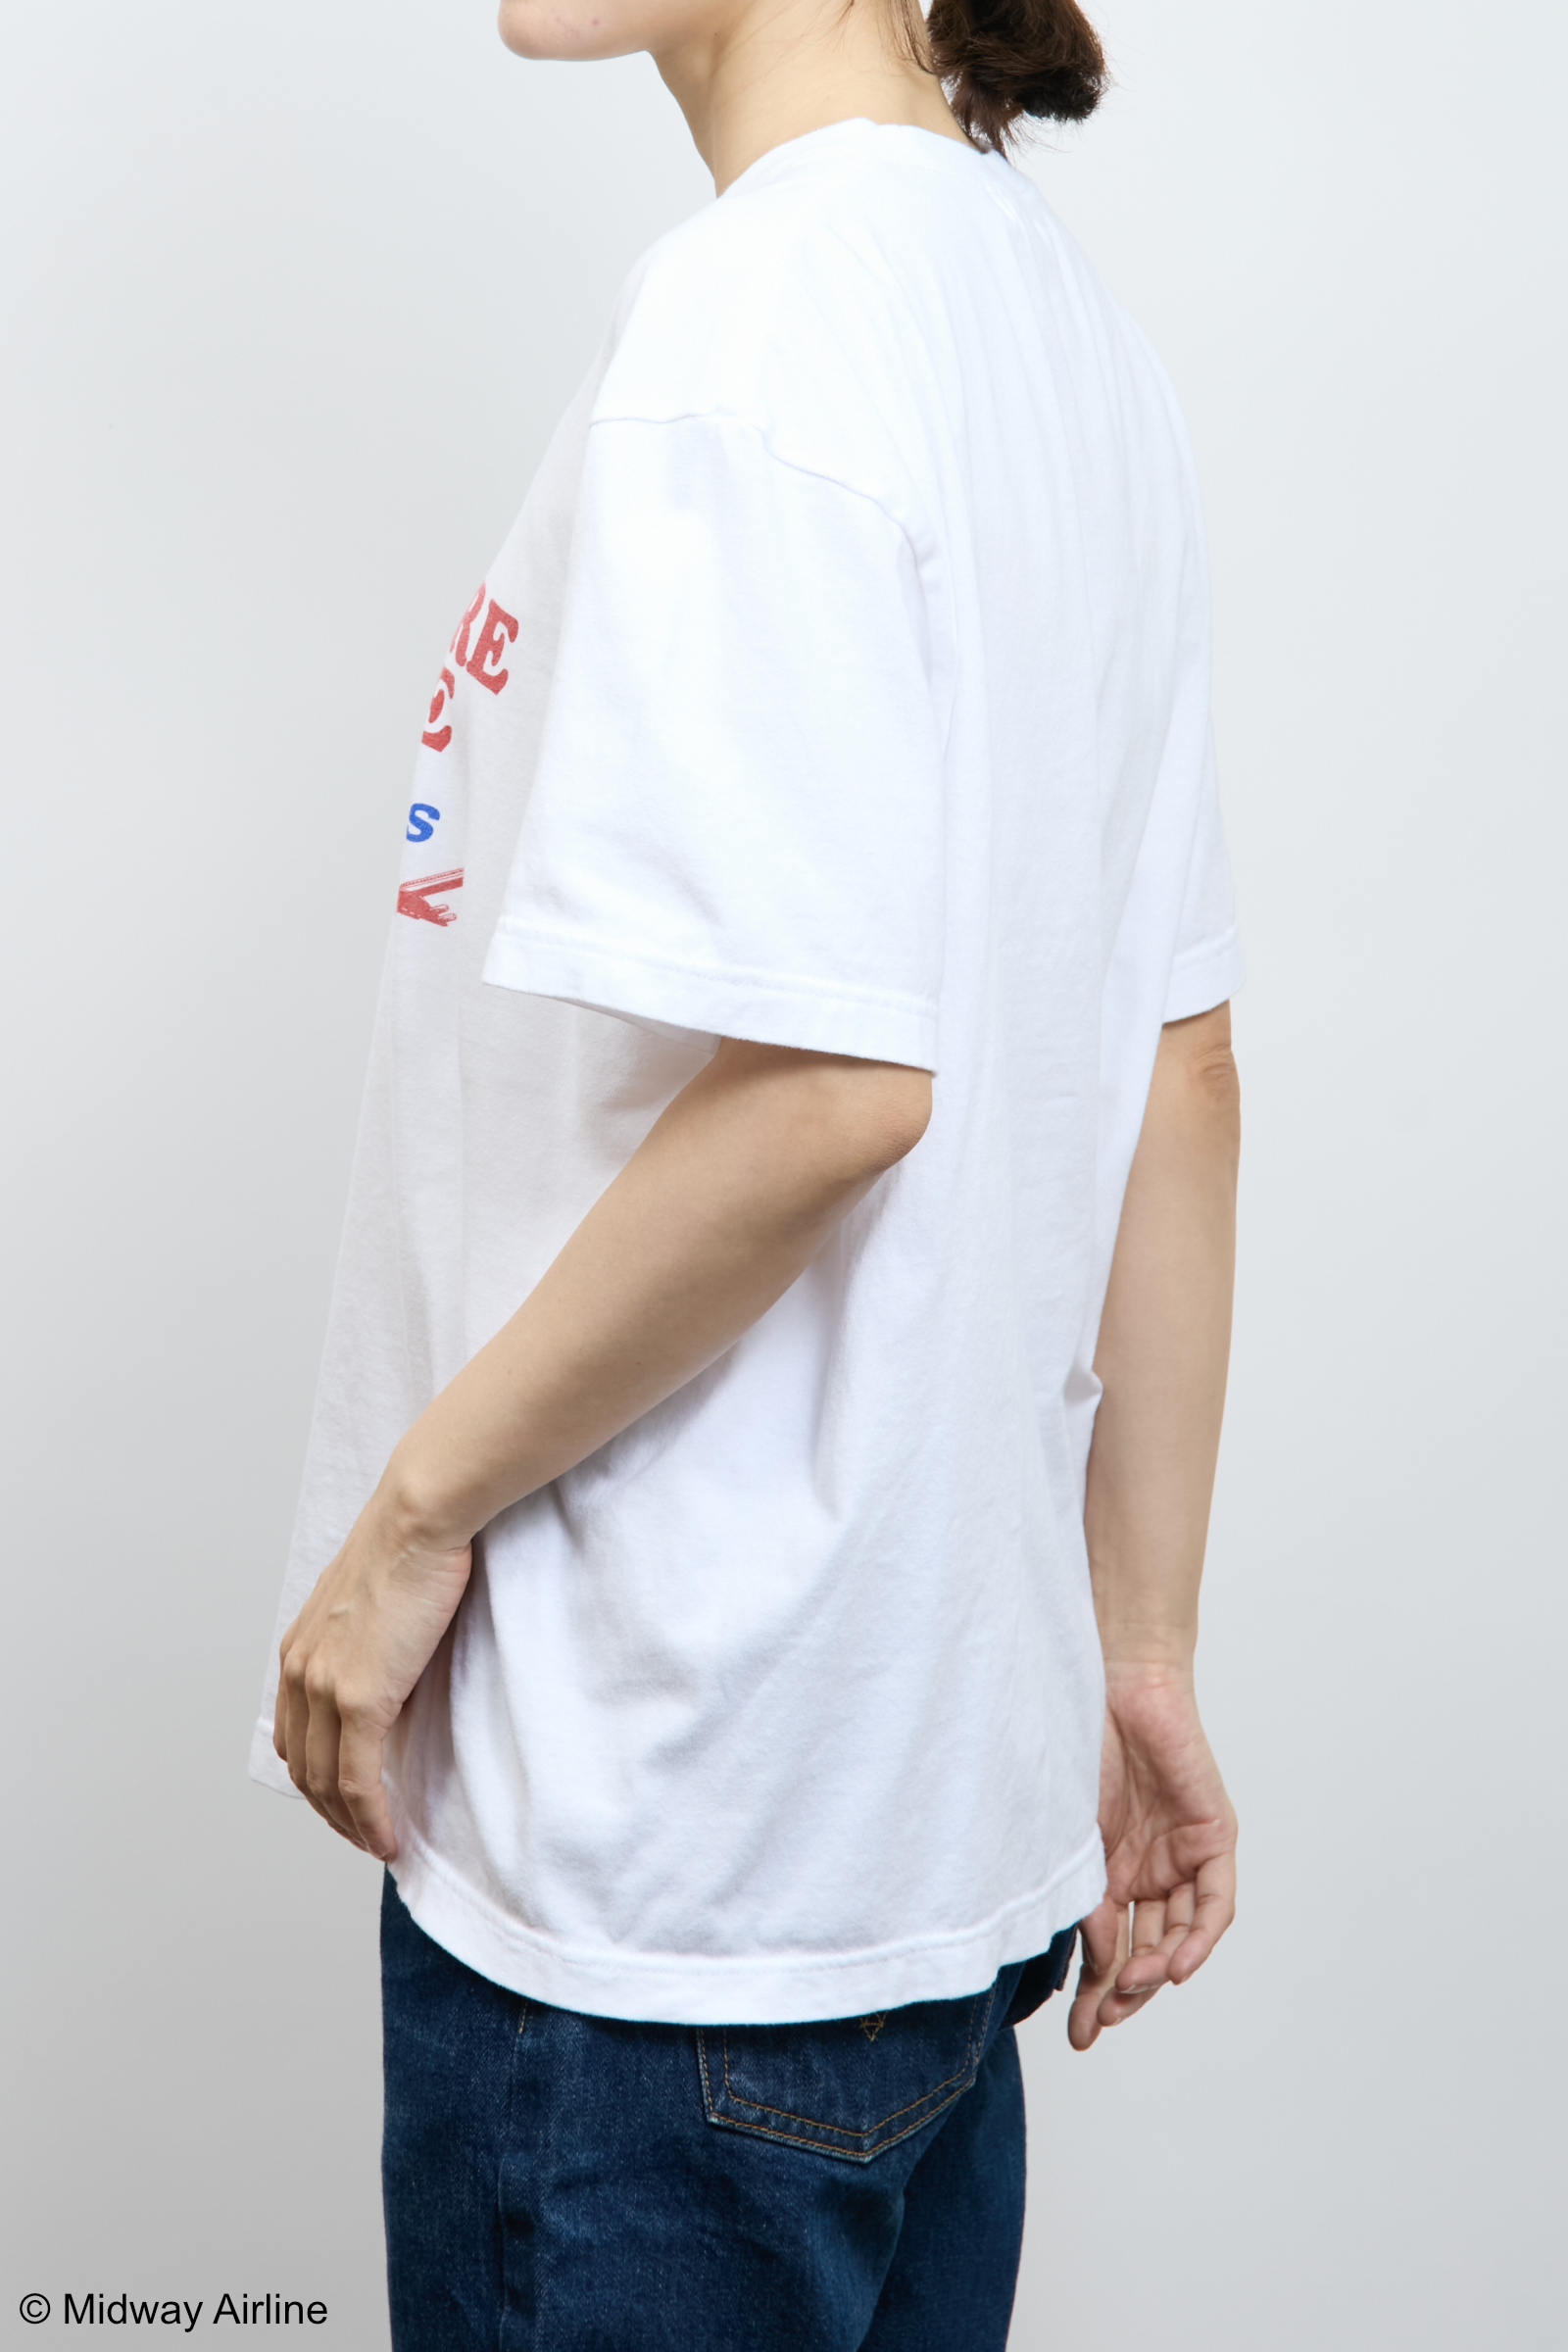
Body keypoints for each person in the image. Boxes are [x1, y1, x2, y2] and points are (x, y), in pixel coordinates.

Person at [252, 0, 1243, 2340]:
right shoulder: (1062, 335)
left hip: (661, 1868)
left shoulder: (755, 316)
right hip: (923, 1861)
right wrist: (1138, 1655)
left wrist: (404, 1529)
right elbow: (1175, 1065)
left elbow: (830, 1091)